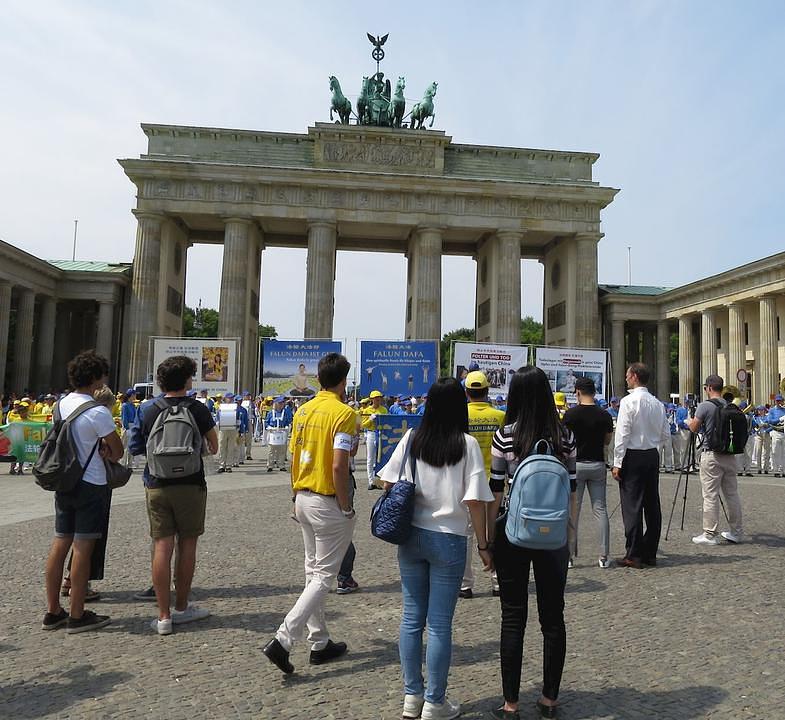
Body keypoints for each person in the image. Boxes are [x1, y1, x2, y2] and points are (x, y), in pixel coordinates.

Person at [380, 378, 493, 720]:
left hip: (412, 535)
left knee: (412, 619)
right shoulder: (467, 444)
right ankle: (435, 702)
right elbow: (474, 500)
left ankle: (411, 697)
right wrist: (485, 545)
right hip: (449, 537)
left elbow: (387, 482)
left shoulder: (413, 439)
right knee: (441, 624)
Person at [487, 366, 576, 720]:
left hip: (513, 531)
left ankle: (510, 704)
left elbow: (496, 489)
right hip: (553, 534)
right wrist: (568, 535)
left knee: (513, 617)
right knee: (553, 618)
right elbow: (570, 488)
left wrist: (488, 540)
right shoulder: (564, 435)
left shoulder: (505, 434)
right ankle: (549, 699)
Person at [263, 353, 357, 675]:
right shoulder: (344, 414)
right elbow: (339, 464)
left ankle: (319, 642)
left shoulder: (302, 411)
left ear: (318, 378)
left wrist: (294, 495)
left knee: (312, 572)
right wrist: (346, 506)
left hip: (302, 495)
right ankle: (283, 639)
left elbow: (294, 457)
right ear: (344, 381)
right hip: (328, 500)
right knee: (324, 577)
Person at [134, 355, 218, 635]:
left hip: (157, 484)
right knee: (188, 545)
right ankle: (182, 607)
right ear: (188, 380)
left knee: (162, 546)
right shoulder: (198, 409)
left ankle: (163, 616)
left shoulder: (148, 409)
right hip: (191, 484)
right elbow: (214, 447)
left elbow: (135, 446)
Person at [42, 351, 123, 634]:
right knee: (82, 548)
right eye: (102, 376)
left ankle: (53, 611)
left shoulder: (61, 404)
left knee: (60, 542)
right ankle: (77, 614)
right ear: (94, 379)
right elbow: (117, 450)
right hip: (91, 483)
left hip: (65, 481)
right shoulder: (97, 411)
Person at [612, 363, 669, 569]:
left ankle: (633, 553)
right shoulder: (658, 404)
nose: (626, 379)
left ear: (634, 376)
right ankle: (650, 552)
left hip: (633, 455)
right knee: (652, 505)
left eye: (627, 375)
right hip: (651, 455)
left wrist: (618, 462)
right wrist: (654, 450)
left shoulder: (628, 402)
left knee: (632, 506)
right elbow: (665, 434)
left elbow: (622, 434)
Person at [460, 370, 505, 599]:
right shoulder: (499, 415)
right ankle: (497, 580)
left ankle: (465, 584)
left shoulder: (460, 415)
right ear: (488, 391)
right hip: (495, 480)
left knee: (467, 532)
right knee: (493, 529)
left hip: (468, 480)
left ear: (467, 392)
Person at [562, 376, 614, 569]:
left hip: (575, 465)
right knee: (600, 510)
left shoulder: (570, 415)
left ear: (577, 392)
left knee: (572, 510)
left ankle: (568, 556)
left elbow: (564, 442)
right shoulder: (605, 415)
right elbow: (607, 441)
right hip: (597, 464)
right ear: (594, 392)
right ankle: (604, 555)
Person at [688, 375, 745, 545]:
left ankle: (709, 533)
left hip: (712, 454)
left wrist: (689, 420)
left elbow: (694, 427)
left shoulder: (705, 405)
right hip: (730, 454)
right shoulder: (730, 405)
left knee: (710, 495)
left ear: (710, 388)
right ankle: (736, 531)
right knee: (732, 495)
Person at [360, 389, 388, 490]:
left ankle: (379, 481)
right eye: (376, 398)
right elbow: (363, 425)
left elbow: (387, 423)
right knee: (370, 458)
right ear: (372, 399)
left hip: (381, 434)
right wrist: (370, 419)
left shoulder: (384, 410)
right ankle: (371, 481)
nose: (378, 400)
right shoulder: (366, 410)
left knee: (380, 457)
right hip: (371, 433)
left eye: (379, 398)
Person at [265, 395, 292, 472]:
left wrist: (287, 426)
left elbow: (287, 421)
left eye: (282, 403)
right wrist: (269, 427)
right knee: (271, 450)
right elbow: (266, 422)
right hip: (273, 432)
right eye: (280, 403)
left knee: (282, 450)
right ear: (276, 404)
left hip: (282, 432)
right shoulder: (271, 413)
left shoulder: (285, 413)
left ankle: (281, 465)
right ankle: (270, 465)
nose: (281, 404)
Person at [216, 393, 238, 472]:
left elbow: (238, 416)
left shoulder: (235, 407)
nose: (231, 399)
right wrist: (218, 423)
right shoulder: (221, 407)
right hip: (223, 428)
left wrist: (238, 424)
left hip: (232, 428)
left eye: (232, 398)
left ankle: (228, 465)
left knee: (231, 447)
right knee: (222, 447)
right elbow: (218, 416)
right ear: (226, 399)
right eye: (230, 398)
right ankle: (222, 465)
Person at [766, 394, 785, 477]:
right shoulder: (772, 410)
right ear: (775, 401)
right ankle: (776, 470)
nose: (779, 402)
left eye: (780, 400)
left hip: (783, 431)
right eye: (777, 401)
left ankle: (783, 470)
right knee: (775, 452)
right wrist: (779, 419)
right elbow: (769, 421)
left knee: (783, 452)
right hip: (776, 431)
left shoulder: (784, 410)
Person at [751, 405, 771, 474]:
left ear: (764, 410)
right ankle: (759, 468)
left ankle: (766, 468)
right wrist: (756, 429)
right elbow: (753, 426)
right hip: (758, 434)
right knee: (758, 451)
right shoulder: (755, 417)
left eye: (761, 410)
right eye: (759, 410)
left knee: (766, 451)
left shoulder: (767, 417)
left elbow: (771, 425)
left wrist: (766, 428)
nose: (760, 411)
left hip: (766, 434)